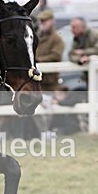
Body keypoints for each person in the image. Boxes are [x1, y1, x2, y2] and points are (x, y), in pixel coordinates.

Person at [33, 9, 65, 138]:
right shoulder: (37, 36)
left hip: (50, 81)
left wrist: (38, 61)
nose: (42, 23)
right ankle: (43, 133)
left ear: (51, 21)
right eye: (41, 21)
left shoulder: (56, 39)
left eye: (44, 21)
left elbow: (56, 55)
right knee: (38, 108)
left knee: (49, 109)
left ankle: (48, 132)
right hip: (38, 81)